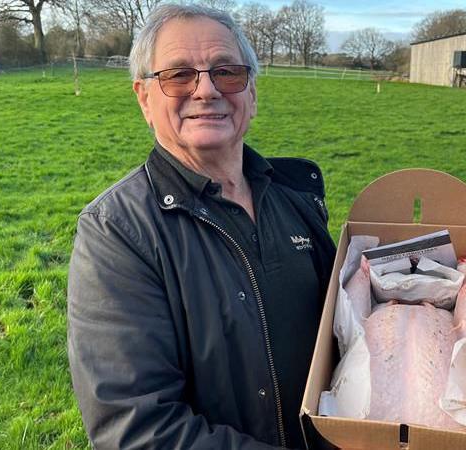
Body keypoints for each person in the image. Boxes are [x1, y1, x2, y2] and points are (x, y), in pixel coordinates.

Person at [66, 4, 336, 449]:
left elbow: (342, 334)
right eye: (178, 75)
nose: (207, 90)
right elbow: (138, 431)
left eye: (227, 72)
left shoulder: (295, 196)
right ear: (144, 98)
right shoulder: (117, 232)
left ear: (251, 92)